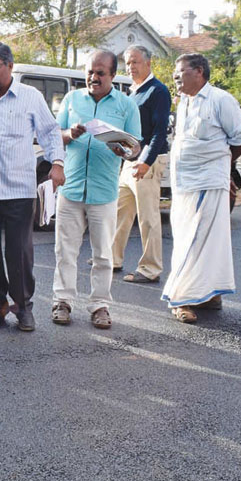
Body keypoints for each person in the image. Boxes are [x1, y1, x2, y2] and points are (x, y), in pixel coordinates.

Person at [0, 42, 65, 332]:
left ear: (10, 66)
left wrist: (57, 163)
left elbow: (50, 132)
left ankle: (23, 306)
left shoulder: (30, 97)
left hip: (19, 189)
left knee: (19, 253)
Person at [52, 50, 141, 329]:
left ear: (113, 76)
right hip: (71, 187)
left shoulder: (127, 105)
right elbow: (55, 136)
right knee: (65, 251)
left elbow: (135, 147)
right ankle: (62, 301)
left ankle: (100, 305)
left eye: (100, 73)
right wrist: (70, 134)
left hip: (104, 191)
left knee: (103, 254)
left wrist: (122, 147)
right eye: (90, 72)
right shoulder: (71, 99)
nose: (93, 77)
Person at [163, 53, 241, 323]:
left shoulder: (221, 100)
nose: (176, 76)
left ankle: (182, 298)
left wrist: (222, 165)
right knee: (194, 238)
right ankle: (209, 293)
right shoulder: (185, 102)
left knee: (197, 240)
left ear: (199, 71)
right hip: (184, 185)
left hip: (208, 182)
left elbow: (240, 139)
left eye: (180, 71)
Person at [111, 45, 171, 283]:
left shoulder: (158, 91)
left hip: (148, 160)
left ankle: (150, 269)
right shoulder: (132, 92)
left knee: (147, 217)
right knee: (120, 212)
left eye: (135, 61)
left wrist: (146, 161)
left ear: (148, 63)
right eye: (127, 62)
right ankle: (112, 259)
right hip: (130, 160)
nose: (130, 67)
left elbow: (159, 133)